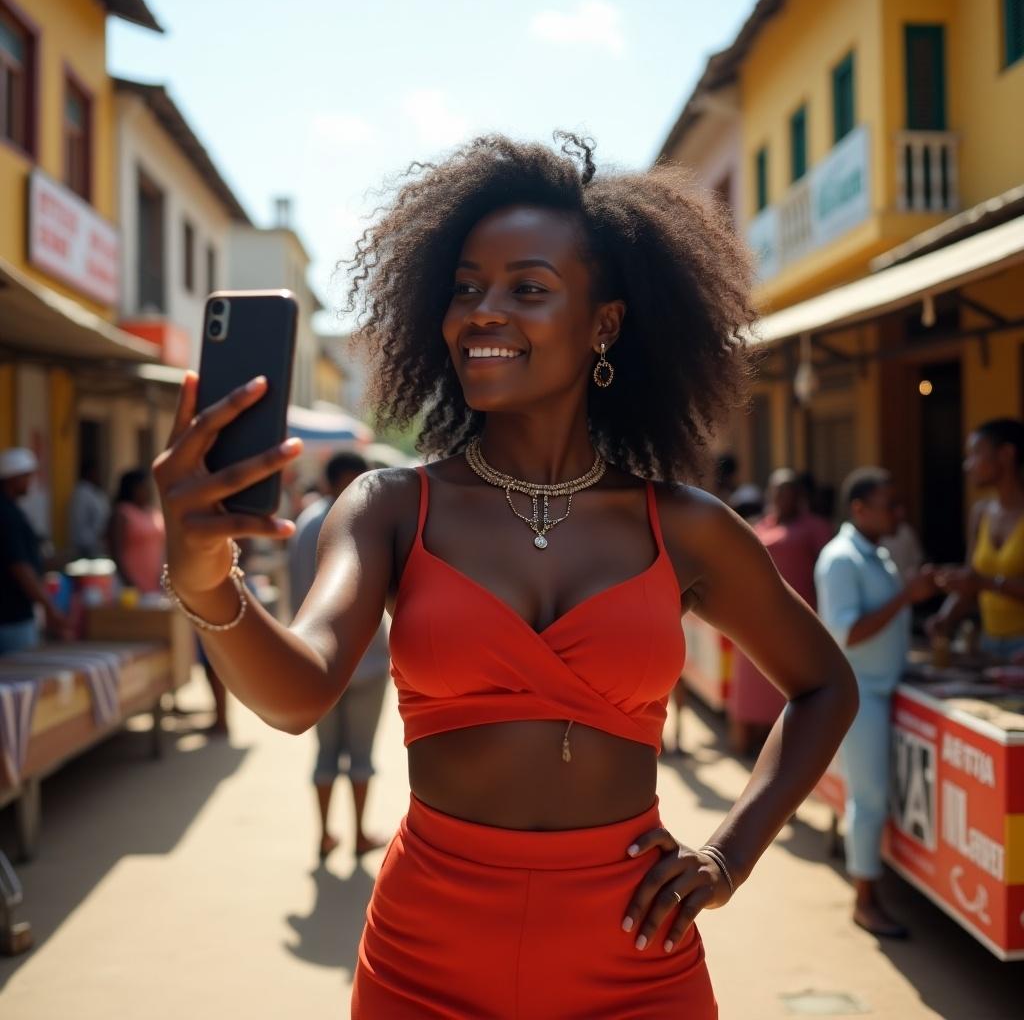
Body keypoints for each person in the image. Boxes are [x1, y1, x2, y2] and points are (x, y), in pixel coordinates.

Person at [153, 133, 858, 1018]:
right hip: (427, 955)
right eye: (465, 288)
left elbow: (825, 685)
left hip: (637, 956)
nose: (481, 311)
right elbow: (296, 695)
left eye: (527, 288)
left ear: (605, 323)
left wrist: (727, 857)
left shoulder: (686, 527)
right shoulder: (388, 507)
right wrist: (208, 577)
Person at [815, 467, 937, 939]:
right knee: (867, 799)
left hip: (883, 686)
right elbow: (845, 633)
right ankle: (865, 899)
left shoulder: (876, 553)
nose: (899, 513)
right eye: (890, 504)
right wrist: (908, 595)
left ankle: (870, 885)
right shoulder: (842, 559)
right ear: (859, 509)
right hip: (861, 692)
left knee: (870, 795)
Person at [289, 451, 389, 860]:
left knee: (326, 754)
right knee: (360, 756)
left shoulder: (305, 523)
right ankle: (359, 833)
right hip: (366, 660)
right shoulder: (366, 521)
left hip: (313, 663)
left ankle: (325, 834)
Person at [729, 469, 833, 754]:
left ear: (799, 496)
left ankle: (790, 752)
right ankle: (748, 747)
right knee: (753, 687)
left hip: (798, 623)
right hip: (758, 622)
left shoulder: (815, 528)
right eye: (778, 492)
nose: (783, 497)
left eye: (789, 491)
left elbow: (826, 576)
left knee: (790, 689)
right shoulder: (760, 526)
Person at [928, 419, 1024, 659]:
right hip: (990, 643)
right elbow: (971, 582)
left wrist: (987, 583)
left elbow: (979, 581)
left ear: (1006, 454)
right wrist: (944, 618)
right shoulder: (981, 513)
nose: (967, 465)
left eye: (975, 454)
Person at [0, 447, 71, 652]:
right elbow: (20, 567)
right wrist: (50, 608)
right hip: (12, 616)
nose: (29, 482)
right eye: (26, 477)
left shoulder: (12, 510)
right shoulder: (7, 515)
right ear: (12, 478)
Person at [109, 468, 165, 594]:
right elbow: (115, 551)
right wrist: (129, 582)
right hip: (130, 583)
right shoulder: (122, 513)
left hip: (156, 582)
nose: (147, 491)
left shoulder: (154, 513)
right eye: (142, 487)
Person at [68, 459, 110, 559]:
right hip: (87, 548)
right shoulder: (81, 493)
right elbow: (79, 522)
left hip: (98, 547)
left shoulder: (95, 492)